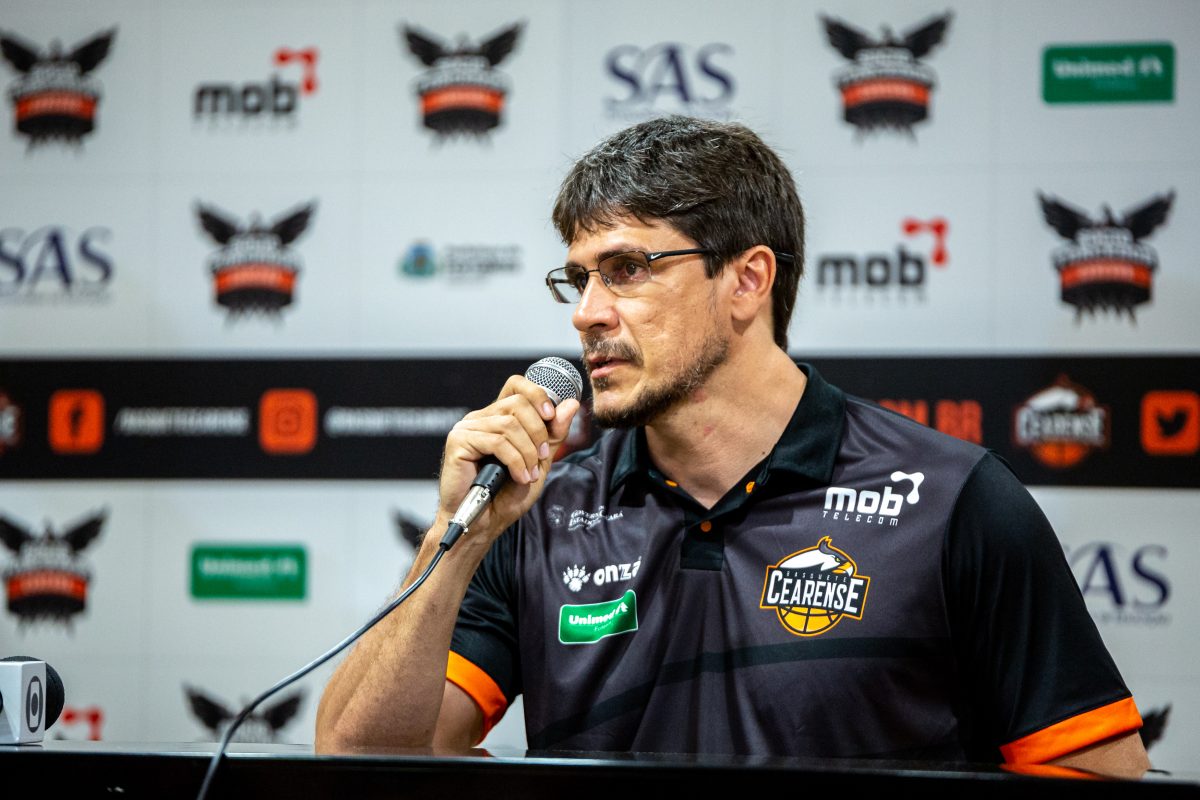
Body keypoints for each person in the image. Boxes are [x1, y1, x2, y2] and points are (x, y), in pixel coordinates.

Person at [316, 116, 1148, 773]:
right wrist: (455, 535)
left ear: (748, 280)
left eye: (628, 269)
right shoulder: (541, 513)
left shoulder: (953, 500)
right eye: (579, 278)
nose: (587, 313)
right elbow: (359, 758)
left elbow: (1097, 773)